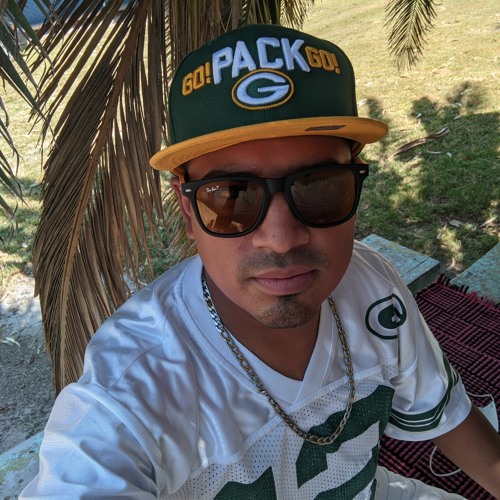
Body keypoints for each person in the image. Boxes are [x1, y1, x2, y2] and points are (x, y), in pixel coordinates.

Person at [21, 24, 500, 499]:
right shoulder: (131, 391)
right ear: (187, 211)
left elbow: (456, 424)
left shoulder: (370, 284)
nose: (281, 239)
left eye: (320, 187)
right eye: (231, 196)